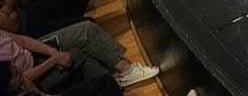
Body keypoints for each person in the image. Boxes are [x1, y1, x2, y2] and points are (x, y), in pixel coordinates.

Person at [0, 24, 158, 91]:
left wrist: (52, 52)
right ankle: (113, 78)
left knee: (86, 30)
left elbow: (21, 40)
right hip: (32, 78)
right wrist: (54, 60)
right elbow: (17, 82)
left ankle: (124, 70)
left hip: (34, 51)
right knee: (77, 54)